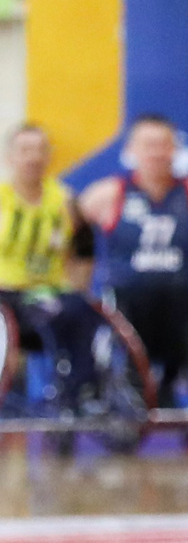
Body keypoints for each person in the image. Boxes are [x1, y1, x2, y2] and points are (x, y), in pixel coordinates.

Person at [78, 114, 188, 404]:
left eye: (163, 145)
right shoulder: (106, 194)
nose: (156, 152)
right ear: (130, 151)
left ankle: (172, 380)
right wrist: (79, 285)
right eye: (148, 145)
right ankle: (130, 382)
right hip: (127, 299)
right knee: (124, 314)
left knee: (183, 309)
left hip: (181, 299)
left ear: (175, 150)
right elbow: (74, 237)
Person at [0, 123, 101, 408]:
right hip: (4, 295)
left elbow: (84, 248)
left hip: (47, 295)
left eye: (40, 150)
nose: (34, 157)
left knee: (81, 309)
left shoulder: (65, 201)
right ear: (10, 157)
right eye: (25, 150)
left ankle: (80, 391)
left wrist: (77, 288)